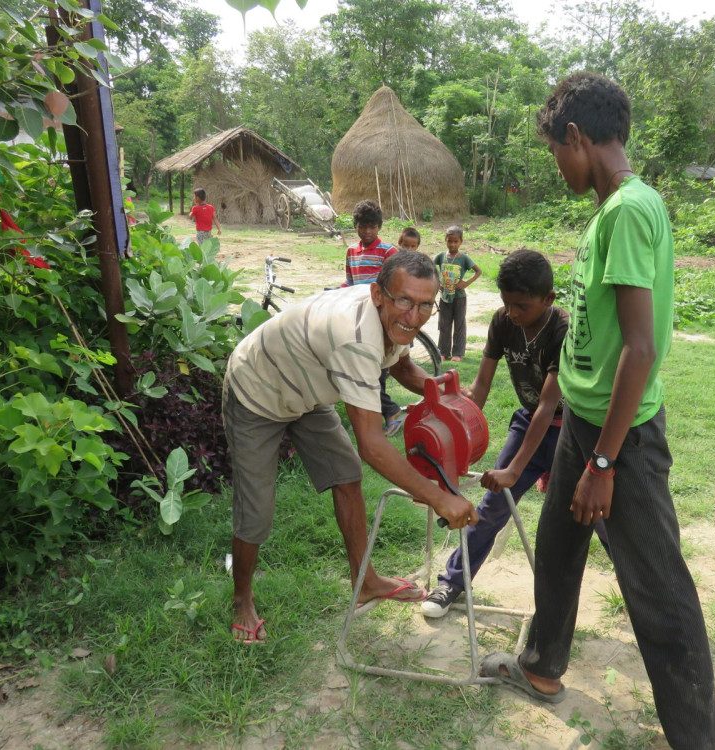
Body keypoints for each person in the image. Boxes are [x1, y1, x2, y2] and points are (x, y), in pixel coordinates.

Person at [477, 72, 715, 750]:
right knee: (557, 552)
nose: (557, 164)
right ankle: (543, 667)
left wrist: (606, 462)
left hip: (624, 438)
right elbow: (592, 339)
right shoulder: (611, 211)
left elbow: (640, 349)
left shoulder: (630, 210)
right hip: (581, 424)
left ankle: (698, 739)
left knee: (657, 590)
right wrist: (563, 439)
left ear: (577, 137)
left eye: (556, 149)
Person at [223, 251, 479, 644]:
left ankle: (366, 581)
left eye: (426, 305)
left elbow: (399, 365)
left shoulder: (390, 318)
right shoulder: (355, 336)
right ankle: (242, 599)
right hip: (257, 391)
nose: (414, 316)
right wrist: (439, 498)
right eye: (405, 302)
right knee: (257, 508)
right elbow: (373, 446)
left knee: (346, 476)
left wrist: (440, 394)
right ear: (378, 294)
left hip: (307, 392)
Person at [421, 249, 610, 618]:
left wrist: (514, 469)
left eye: (522, 306)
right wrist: (452, 424)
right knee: (493, 508)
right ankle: (452, 582)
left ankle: (643, 599)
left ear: (549, 299)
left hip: (572, 430)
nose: (513, 313)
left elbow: (547, 403)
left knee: (599, 515)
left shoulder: (563, 329)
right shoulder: (502, 322)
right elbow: (480, 389)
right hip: (527, 423)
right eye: (507, 303)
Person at [341, 200, 405, 435]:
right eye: (362, 226)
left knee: (374, 371)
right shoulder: (351, 252)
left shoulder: (389, 252)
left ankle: (390, 411)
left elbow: (395, 286)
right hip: (357, 319)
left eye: (372, 226)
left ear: (379, 227)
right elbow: (350, 282)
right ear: (355, 226)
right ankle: (369, 416)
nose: (367, 231)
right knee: (359, 369)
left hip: (380, 320)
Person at [433, 226, 481, 361]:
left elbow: (478, 271)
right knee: (444, 324)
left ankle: (457, 354)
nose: (452, 244)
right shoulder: (441, 256)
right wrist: (438, 282)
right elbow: (430, 268)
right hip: (444, 297)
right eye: (449, 241)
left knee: (459, 324)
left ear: (461, 242)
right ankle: (443, 352)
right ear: (445, 240)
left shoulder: (464, 258)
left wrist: (466, 283)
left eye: (456, 241)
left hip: (459, 297)